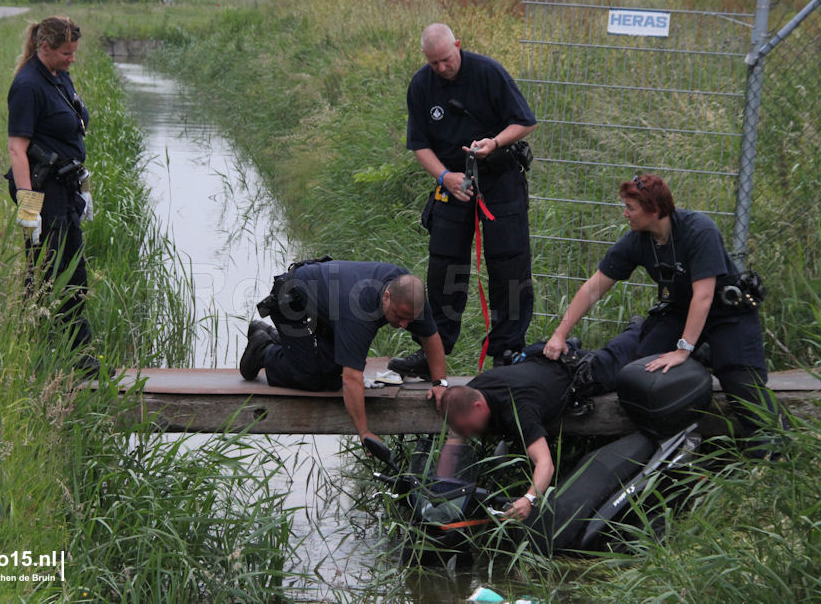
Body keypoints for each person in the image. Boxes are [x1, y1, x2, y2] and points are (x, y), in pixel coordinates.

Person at [542, 174, 784, 450]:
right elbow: (593, 288)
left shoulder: (699, 230)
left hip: (727, 316)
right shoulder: (637, 240)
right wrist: (560, 334)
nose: (625, 214)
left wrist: (682, 349)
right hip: (680, 312)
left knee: (741, 385)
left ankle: (775, 452)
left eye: (630, 208)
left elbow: (703, 297)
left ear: (654, 211)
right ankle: (697, 367)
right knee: (643, 369)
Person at [390, 23, 538, 378]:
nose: (442, 68)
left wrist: (495, 143)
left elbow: (525, 122)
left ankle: (508, 352)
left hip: (499, 179)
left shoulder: (488, 72)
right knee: (444, 268)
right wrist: (445, 177)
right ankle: (433, 351)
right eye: (434, 63)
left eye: (446, 59)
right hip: (453, 184)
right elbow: (419, 145)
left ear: (457, 45)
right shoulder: (421, 86)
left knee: (510, 265)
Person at [438, 320, 644, 521]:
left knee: (628, 351)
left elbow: (545, 464)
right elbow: (454, 441)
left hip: (579, 371)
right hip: (543, 363)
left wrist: (529, 499)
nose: (466, 432)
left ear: (478, 406)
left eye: (467, 427)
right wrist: (440, 492)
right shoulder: (472, 391)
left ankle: (638, 327)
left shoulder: (518, 409)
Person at [240, 259, 449, 442]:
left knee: (331, 375)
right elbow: (352, 378)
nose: (404, 324)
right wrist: (364, 431)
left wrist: (440, 384)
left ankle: (276, 338)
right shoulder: (360, 311)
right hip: (293, 298)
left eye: (409, 319)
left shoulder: (409, 296)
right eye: (399, 316)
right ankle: (263, 349)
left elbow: (430, 336)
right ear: (386, 296)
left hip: (329, 306)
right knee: (312, 376)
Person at [6, 16, 102, 375]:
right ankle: (79, 360)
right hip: (44, 194)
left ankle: (36, 348)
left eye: (74, 52)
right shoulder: (28, 86)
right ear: (44, 48)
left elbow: (67, 133)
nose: (72, 59)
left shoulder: (57, 76)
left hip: (66, 188)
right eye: (66, 53)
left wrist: (84, 186)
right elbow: (18, 149)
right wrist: (29, 208)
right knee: (62, 274)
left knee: (52, 273)